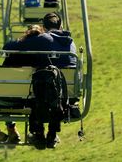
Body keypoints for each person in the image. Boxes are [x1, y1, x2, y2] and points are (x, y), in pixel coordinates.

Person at [0, 25, 45, 144]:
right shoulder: (43, 52)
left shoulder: (13, 46)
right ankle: (11, 129)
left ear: (26, 34)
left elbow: (5, 50)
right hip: (29, 101)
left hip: (6, 98)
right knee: (11, 94)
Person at [28, 12, 77, 148]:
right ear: (60, 26)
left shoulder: (43, 39)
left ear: (44, 27)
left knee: (41, 81)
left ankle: (38, 133)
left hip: (41, 91)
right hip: (68, 91)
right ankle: (52, 133)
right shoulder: (70, 43)